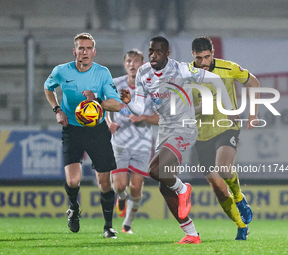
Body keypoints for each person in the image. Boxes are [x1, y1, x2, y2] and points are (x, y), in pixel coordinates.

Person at [120, 36, 235, 244]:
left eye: (158, 52)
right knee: (164, 185)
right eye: (151, 51)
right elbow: (139, 107)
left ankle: (184, 188)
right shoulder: (144, 73)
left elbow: (215, 80)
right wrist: (128, 102)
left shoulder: (181, 70)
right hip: (165, 128)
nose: (153, 56)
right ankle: (192, 234)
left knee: (155, 171)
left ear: (167, 53)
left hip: (184, 127)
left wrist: (227, 108)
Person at [44, 32, 122, 239]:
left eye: (88, 48)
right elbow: (48, 87)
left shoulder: (102, 73)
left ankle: (108, 227)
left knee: (104, 182)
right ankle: (73, 208)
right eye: (81, 48)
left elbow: (116, 104)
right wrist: (57, 110)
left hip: (97, 130)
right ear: (75, 51)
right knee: (73, 180)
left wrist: (97, 100)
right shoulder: (61, 71)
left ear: (94, 52)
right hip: (72, 128)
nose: (85, 52)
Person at [190, 36, 260, 240]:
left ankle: (239, 198)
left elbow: (254, 82)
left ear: (213, 54)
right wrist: (198, 109)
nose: (204, 62)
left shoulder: (228, 68)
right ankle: (241, 226)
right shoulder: (186, 74)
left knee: (223, 166)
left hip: (227, 126)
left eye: (207, 57)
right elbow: (180, 108)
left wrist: (253, 114)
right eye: (199, 58)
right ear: (192, 55)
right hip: (201, 134)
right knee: (219, 190)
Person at [106, 49, 159, 234]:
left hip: (142, 143)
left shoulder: (151, 88)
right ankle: (121, 197)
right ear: (124, 64)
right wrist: (109, 123)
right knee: (120, 186)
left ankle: (127, 224)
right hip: (119, 140)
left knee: (136, 187)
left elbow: (160, 119)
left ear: (142, 66)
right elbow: (104, 107)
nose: (132, 64)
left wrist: (144, 117)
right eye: (129, 61)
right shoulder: (114, 84)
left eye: (136, 61)